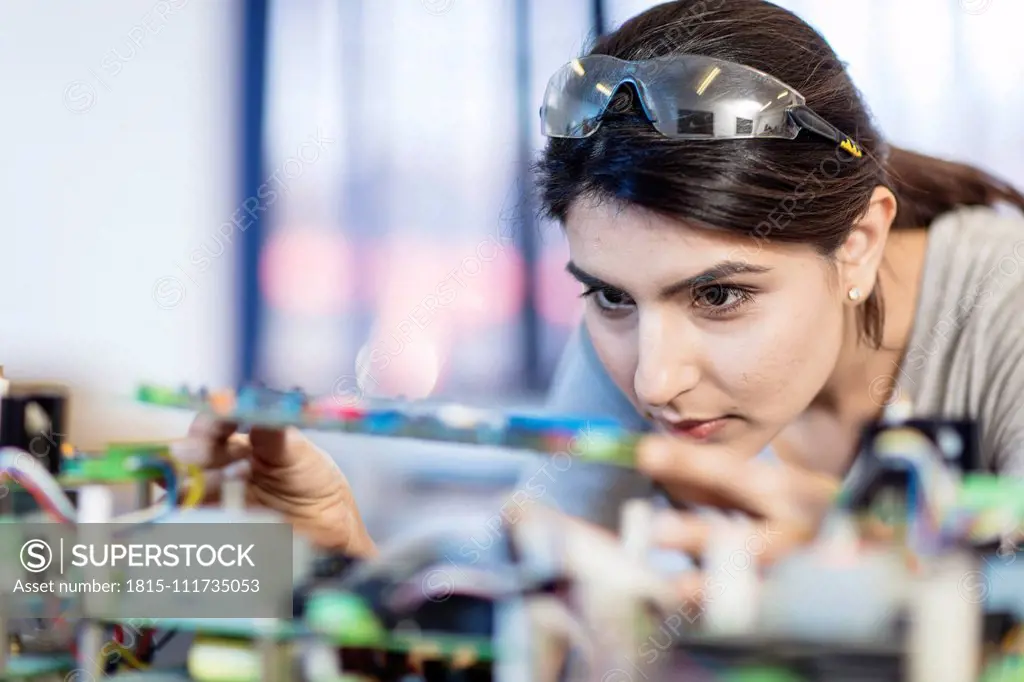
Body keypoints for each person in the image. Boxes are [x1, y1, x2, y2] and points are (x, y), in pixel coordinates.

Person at [181, 0, 1024, 599]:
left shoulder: (1007, 305)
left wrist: (877, 595)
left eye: (721, 295)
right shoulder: (625, 342)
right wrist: (336, 568)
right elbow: (529, 616)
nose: (654, 382)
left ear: (858, 244)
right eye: (610, 298)